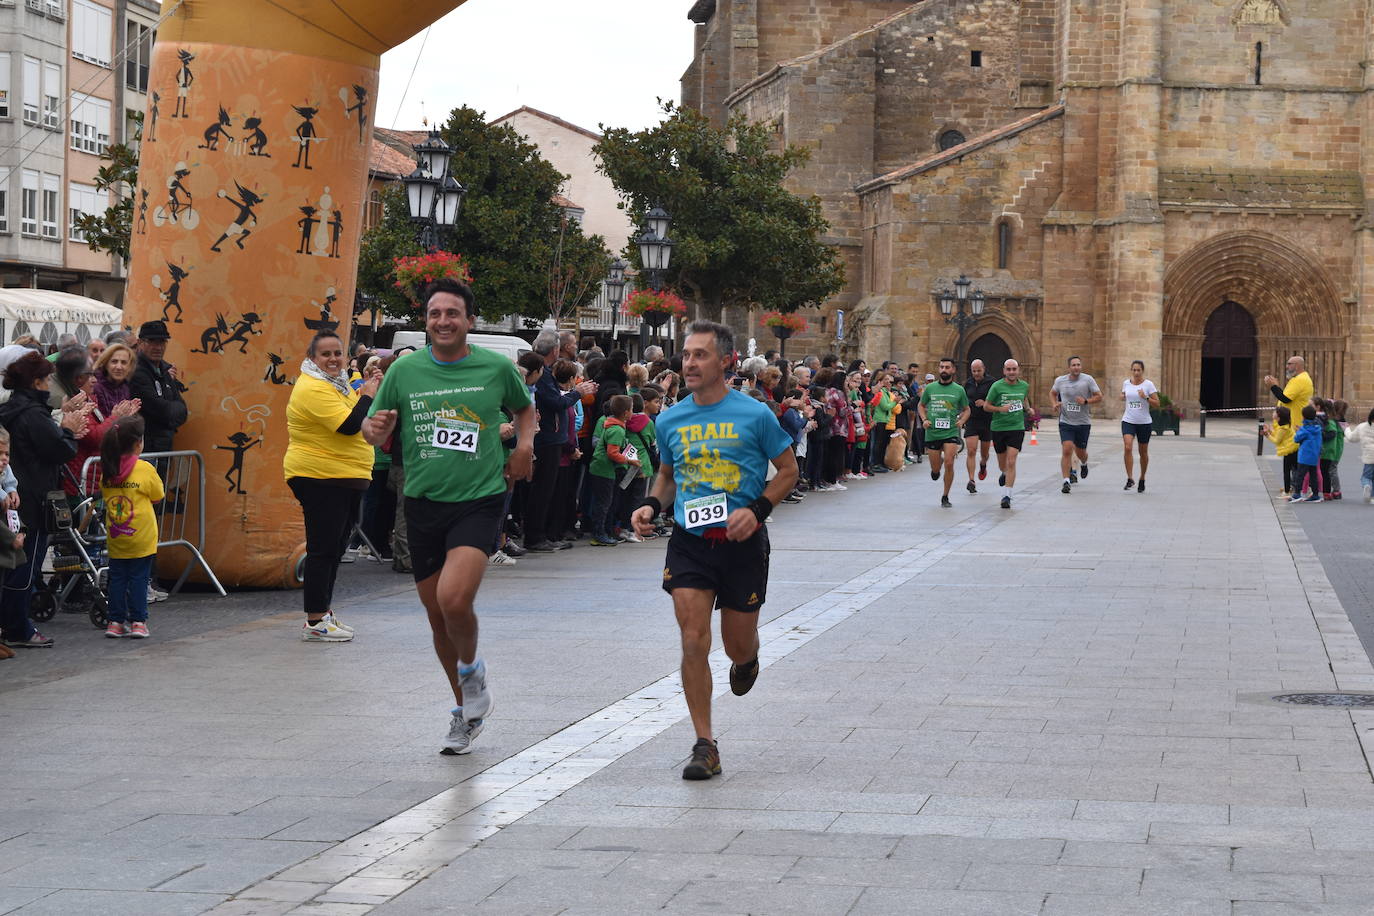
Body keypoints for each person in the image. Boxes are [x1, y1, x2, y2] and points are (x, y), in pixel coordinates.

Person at [363, 279, 534, 756]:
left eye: (452, 313)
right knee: (438, 618)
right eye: (435, 313)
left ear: (469, 321)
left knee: (454, 599)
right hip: (421, 501)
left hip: (479, 498)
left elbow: (525, 410)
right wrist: (373, 427)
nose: (443, 321)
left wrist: (524, 447)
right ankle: (465, 711)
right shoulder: (404, 370)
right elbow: (374, 429)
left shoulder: (495, 367)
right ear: (426, 320)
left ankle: (472, 672)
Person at [631, 319, 798, 781]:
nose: (689, 363)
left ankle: (747, 660)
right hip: (691, 542)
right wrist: (651, 505)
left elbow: (788, 471)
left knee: (736, 644)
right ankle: (705, 743)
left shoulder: (755, 414)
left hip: (743, 544)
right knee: (692, 639)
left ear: (725, 361)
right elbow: (667, 476)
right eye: (686, 354)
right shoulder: (671, 418)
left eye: (700, 355)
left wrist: (758, 509)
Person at [285, 331, 380, 642]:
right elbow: (349, 425)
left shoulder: (335, 384)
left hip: (344, 476)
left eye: (338, 353)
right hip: (321, 477)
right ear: (312, 358)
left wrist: (365, 391)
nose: (333, 359)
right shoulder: (312, 387)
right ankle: (315, 619)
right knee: (323, 549)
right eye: (325, 354)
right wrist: (367, 395)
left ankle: (323, 612)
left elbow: (358, 416)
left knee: (334, 548)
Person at [0, 352, 88, 648]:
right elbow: (60, 450)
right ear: (36, 382)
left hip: (13, 495)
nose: (50, 384)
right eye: (47, 379)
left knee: (12, 564)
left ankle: (11, 624)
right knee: (25, 566)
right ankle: (18, 628)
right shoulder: (33, 414)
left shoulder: (11, 408)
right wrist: (69, 430)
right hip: (33, 499)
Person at [525, 331, 596, 552]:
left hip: (551, 437)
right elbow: (555, 402)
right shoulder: (544, 374)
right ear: (556, 349)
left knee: (548, 490)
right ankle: (535, 536)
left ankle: (543, 534)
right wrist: (577, 393)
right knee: (542, 489)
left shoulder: (546, 373)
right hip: (547, 438)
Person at [100, 416, 163, 639]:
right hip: (142, 534)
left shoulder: (108, 469)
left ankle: (115, 622)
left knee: (117, 578)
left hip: (116, 534)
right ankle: (138, 622)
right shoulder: (144, 469)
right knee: (139, 579)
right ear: (138, 443)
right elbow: (158, 495)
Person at [128, 320, 188, 456]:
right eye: (152, 342)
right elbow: (159, 408)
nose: (158, 347)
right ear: (140, 343)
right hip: (145, 447)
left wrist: (170, 412)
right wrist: (170, 411)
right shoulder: (137, 371)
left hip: (163, 445)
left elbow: (183, 410)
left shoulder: (164, 370)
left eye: (161, 342)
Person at [919, 358, 970, 507]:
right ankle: (936, 469)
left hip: (951, 432)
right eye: (942, 367)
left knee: (949, 462)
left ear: (953, 370)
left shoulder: (959, 390)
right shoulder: (930, 388)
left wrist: (962, 421)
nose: (944, 370)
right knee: (935, 470)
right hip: (933, 432)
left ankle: (945, 496)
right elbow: (921, 405)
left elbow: (967, 409)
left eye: (947, 367)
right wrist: (924, 419)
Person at [1050, 356, 1102, 494]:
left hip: (1083, 423)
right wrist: (1054, 404)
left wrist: (1086, 401)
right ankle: (1066, 481)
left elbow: (1099, 396)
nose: (1076, 367)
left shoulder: (1088, 380)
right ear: (1069, 367)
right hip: (1066, 421)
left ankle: (1084, 463)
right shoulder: (1060, 381)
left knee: (1081, 453)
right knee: (1067, 449)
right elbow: (1053, 393)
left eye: (1078, 365)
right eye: (1073, 365)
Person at [984, 358, 1032, 509]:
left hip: (1016, 427)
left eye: (1014, 369)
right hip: (999, 428)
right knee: (1002, 464)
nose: (1011, 372)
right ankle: (1004, 473)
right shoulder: (996, 386)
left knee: (1011, 461)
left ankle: (1007, 495)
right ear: (1004, 371)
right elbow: (986, 406)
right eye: (1009, 369)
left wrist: (1028, 409)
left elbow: (1024, 399)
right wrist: (1000, 409)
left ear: (1018, 370)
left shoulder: (1024, 385)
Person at [1119, 360, 1159, 492]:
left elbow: (1157, 403)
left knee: (1143, 452)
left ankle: (1142, 478)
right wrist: (1122, 396)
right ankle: (1130, 478)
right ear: (1131, 370)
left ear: (1142, 371)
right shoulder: (1126, 383)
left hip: (1144, 422)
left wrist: (1145, 397)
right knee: (1128, 447)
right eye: (1134, 370)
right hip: (1128, 420)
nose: (1136, 373)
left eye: (1138, 370)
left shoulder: (1148, 385)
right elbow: (1124, 395)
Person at [962, 359, 995, 492]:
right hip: (972, 420)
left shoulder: (991, 383)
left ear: (984, 369)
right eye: (974, 371)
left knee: (984, 454)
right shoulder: (968, 383)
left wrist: (985, 402)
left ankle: (983, 464)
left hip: (986, 420)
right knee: (971, 451)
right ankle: (971, 480)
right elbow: (963, 399)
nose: (976, 373)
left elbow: (996, 399)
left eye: (978, 371)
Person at [92, 342, 137, 417]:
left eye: (124, 362)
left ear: (130, 367)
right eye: (114, 362)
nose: (119, 367)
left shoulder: (127, 387)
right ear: (106, 364)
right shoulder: (96, 388)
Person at [1291, 405, 1324, 503]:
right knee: (1313, 475)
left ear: (1303, 416)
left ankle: (1297, 494)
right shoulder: (1318, 428)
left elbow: (1296, 439)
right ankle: (1315, 494)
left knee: (1300, 475)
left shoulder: (1305, 429)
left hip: (1304, 456)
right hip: (1314, 455)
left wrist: (1298, 431)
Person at [1263, 406, 1296, 497]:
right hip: (1292, 449)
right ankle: (1290, 487)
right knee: (1296, 469)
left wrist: (1267, 435)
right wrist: (1270, 431)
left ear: (1279, 416)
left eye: (1275, 412)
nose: (1273, 413)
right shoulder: (1284, 426)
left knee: (1287, 471)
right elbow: (1278, 436)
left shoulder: (1282, 428)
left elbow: (1277, 441)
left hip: (1289, 451)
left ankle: (1287, 491)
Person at [1344, 408, 1374, 503]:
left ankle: (1366, 485)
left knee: (1366, 476)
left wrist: (1347, 429)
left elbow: (1352, 438)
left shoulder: (1362, 426)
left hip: (1369, 455)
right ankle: (1372, 497)